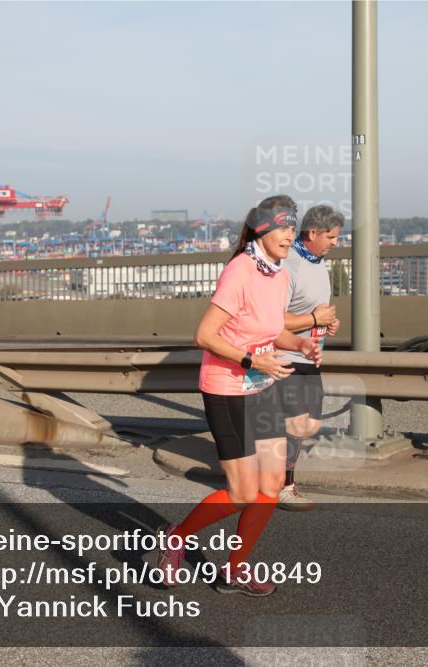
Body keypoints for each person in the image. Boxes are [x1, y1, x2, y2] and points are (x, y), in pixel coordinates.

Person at [155, 195, 322, 597]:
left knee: (271, 485)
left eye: (292, 227)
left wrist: (298, 345)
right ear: (262, 229)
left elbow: (268, 328)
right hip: (227, 390)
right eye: (282, 226)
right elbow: (205, 336)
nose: (289, 234)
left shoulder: (279, 274)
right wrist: (252, 361)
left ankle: (235, 568)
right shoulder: (240, 270)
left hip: (262, 389)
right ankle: (176, 537)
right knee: (243, 492)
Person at [276, 205, 343, 510]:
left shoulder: (317, 262)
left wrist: (327, 322)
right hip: (285, 356)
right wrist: (315, 319)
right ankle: (283, 486)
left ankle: (272, 476)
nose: (335, 242)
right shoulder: (290, 264)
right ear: (312, 233)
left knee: (308, 425)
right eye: (331, 236)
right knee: (295, 424)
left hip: (311, 356)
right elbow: (274, 320)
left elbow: (314, 311)